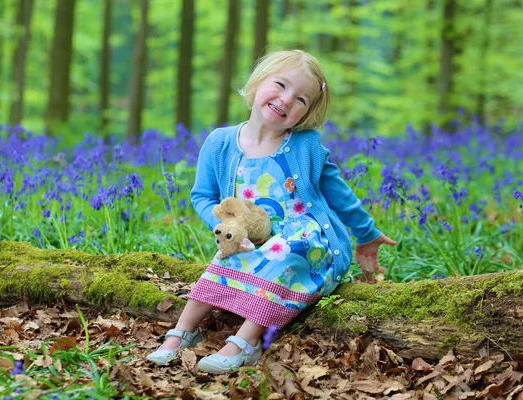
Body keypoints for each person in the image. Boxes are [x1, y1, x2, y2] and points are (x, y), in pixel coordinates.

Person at [146, 49, 396, 373]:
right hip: (253, 238)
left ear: (306, 113)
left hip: (311, 245)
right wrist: (227, 229)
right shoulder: (220, 142)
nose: (286, 99)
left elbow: (340, 195)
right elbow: (203, 197)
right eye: (280, 84)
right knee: (226, 256)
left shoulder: (306, 146)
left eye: (301, 99)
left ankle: (245, 341)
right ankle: (182, 332)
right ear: (259, 79)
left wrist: (366, 233)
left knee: (284, 248)